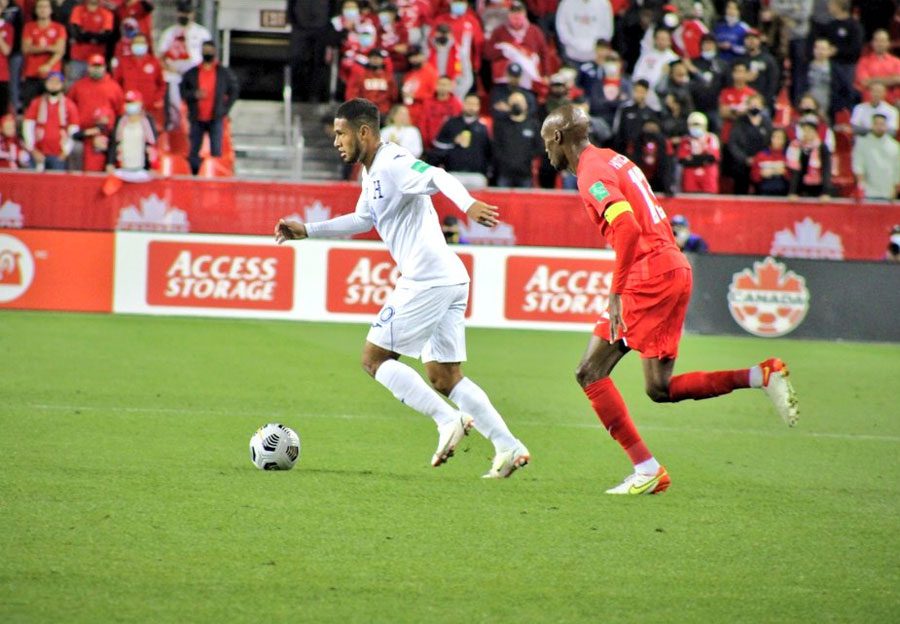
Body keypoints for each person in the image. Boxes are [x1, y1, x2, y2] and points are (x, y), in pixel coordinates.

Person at [539, 103, 798, 495]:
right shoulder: (615, 159)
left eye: (546, 143)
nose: (546, 153)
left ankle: (647, 469)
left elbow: (625, 226)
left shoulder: (590, 171)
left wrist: (617, 292)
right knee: (659, 388)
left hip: (649, 275)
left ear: (558, 137)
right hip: (675, 267)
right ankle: (759, 375)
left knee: (589, 373)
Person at [274, 98, 530, 478]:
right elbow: (365, 218)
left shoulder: (393, 163)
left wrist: (467, 203)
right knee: (444, 376)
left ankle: (448, 421)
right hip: (447, 277)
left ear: (364, 132)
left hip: (427, 278)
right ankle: (509, 447)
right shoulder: (372, 171)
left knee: (374, 360)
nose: (335, 141)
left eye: (341, 133)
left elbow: (438, 175)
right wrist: (309, 230)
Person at [180, 40, 239, 175]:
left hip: (215, 117)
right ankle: (194, 175)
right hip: (197, 117)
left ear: (215, 52)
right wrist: (194, 94)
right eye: (205, 50)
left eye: (210, 50)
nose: (207, 53)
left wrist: (225, 109)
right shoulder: (192, 73)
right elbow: (183, 91)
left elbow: (234, 90)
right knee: (194, 150)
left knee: (216, 150)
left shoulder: (223, 73)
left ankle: (215, 175)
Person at [157, 0, 212, 130]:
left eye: (188, 12)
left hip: (195, 77)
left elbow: (209, 56)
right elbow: (161, 57)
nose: (185, 15)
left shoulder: (202, 33)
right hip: (174, 76)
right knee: (175, 107)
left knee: (195, 106)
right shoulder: (169, 33)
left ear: (192, 14)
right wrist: (171, 69)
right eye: (182, 12)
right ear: (177, 13)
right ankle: (175, 131)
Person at [432, 93, 492, 188]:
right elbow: (438, 145)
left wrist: (488, 174)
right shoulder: (450, 123)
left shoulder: (483, 127)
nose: (471, 107)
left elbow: (488, 152)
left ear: (479, 107)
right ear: (463, 104)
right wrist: (453, 141)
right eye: (469, 103)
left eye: (474, 104)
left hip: (476, 175)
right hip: (453, 173)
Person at [22, 71, 79, 170]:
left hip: (58, 154)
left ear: (62, 85)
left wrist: (66, 151)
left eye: (57, 83)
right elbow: (28, 126)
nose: (53, 85)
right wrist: (32, 149)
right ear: (46, 83)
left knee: (56, 183)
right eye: (51, 82)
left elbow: (74, 129)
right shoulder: (37, 103)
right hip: (38, 152)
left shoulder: (69, 105)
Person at [112, 31, 165, 128]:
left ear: (146, 45)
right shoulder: (124, 62)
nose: (139, 45)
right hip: (129, 108)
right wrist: (122, 101)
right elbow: (116, 84)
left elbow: (161, 84)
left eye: (141, 43)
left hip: (149, 108)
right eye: (136, 43)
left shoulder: (154, 62)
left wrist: (156, 100)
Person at [21, 0, 66, 110]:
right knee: (30, 107)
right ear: (35, 10)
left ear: (51, 10)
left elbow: (60, 50)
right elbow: (26, 48)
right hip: (32, 73)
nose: (42, 10)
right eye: (40, 7)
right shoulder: (29, 27)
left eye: (45, 7)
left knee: (52, 108)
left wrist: (48, 65)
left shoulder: (59, 28)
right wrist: (49, 47)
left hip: (52, 75)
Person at [492, 90, 541, 187]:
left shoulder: (533, 124)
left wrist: (526, 159)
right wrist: (504, 162)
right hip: (504, 173)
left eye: (519, 102)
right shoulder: (500, 125)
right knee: (502, 201)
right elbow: (495, 148)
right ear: (508, 105)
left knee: (525, 202)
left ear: (526, 105)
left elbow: (539, 147)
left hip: (526, 173)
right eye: (513, 102)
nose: (516, 104)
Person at [726, 93, 773, 194]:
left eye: (757, 104)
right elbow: (733, 144)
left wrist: (760, 159)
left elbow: (770, 143)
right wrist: (745, 159)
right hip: (742, 163)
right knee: (740, 186)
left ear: (762, 106)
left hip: (762, 163)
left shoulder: (767, 123)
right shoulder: (740, 122)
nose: (754, 106)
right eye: (751, 104)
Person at [287, 0, 331, 103]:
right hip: (300, 26)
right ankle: (296, 94)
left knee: (318, 62)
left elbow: (333, 5)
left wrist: (328, 22)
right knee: (296, 59)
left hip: (321, 26)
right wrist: (292, 19)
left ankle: (315, 95)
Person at [851, 113, 900, 200]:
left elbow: (897, 169)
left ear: (886, 126)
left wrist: (896, 188)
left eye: (882, 124)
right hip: (868, 192)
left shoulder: (894, 146)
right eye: (876, 124)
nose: (879, 127)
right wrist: (861, 186)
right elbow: (858, 166)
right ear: (872, 125)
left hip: (888, 192)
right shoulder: (862, 143)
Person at [109, 89, 157, 171]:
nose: (130, 105)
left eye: (133, 102)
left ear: (140, 103)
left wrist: (153, 165)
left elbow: (151, 143)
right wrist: (110, 163)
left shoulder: (146, 121)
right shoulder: (121, 121)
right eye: (128, 102)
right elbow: (114, 142)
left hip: (142, 167)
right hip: (122, 166)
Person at [555, 0, 613, 66]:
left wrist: (593, 46)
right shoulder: (566, 3)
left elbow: (607, 31)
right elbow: (561, 28)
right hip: (572, 56)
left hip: (596, 58)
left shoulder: (603, 3)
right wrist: (576, 44)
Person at [66, 0, 114, 82]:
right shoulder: (78, 10)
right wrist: (96, 36)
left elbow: (105, 37)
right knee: (72, 88)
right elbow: (76, 35)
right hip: (78, 58)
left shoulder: (106, 13)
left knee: (97, 89)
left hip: (97, 60)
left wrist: (84, 33)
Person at [787, 116, 832, 199]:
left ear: (815, 132)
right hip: (801, 188)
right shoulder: (796, 146)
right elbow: (795, 171)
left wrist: (825, 192)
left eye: (809, 131)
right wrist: (793, 192)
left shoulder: (822, 147)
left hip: (819, 187)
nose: (806, 133)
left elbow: (826, 170)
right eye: (804, 130)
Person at [345, 47, 397, 116]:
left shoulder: (388, 77)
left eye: (378, 57)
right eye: (373, 57)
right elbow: (353, 94)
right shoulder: (361, 76)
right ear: (368, 59)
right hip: (365, 113)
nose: (375, 60)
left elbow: (394, 95)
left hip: (384, 112)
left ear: (382, 60)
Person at [677, 110, 720, 194]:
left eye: (699, 125)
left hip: (708, 180)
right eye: (694, 125)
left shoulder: (711, 138)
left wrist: (693, 159)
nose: (696, 128)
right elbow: (683, 160)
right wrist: (703, 159)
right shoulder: (685, 140)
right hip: (690, 181)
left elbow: (712, 158)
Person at [854, 29, 900, 103]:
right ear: (872, 43)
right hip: (869, 104)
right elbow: (865, 82)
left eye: (883, 41)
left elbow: (898, 80)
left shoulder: (897, 62)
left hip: (892, 104)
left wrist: (873, 80)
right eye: (877, 41)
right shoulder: (863, 61)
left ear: (888, 43)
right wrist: (891, 80)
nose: (880, 44)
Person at [751, 127, 791, 196]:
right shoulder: (761, 155)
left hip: (783, 191)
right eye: (774, 137)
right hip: (764, 190)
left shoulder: (789, 155)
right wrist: (761, 174)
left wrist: (784, 172)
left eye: (780, 138)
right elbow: (754, 175)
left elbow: (794, 176)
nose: (776, 140)